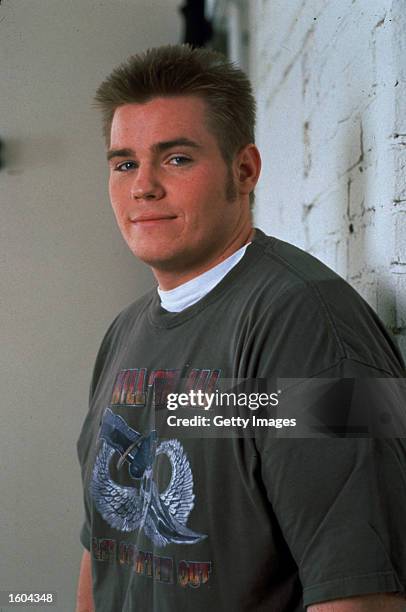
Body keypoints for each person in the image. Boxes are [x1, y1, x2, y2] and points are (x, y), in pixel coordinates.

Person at [76, 44, 406, 611]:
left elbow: (362, 593)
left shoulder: (314, 327)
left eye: (176, 158)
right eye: (125, 163)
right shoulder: (124, 332)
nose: (143, 187)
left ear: (245, 168)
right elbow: (106, 553)